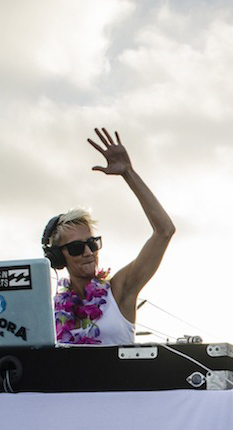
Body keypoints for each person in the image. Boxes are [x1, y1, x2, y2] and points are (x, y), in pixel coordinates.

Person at [41, 127, 176, 345]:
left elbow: (164, 231)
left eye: (92, 244)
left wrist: (128, 173)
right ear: (58, 256)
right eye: (76, 247)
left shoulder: (120, 290)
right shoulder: (51, 311)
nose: (88, 252)